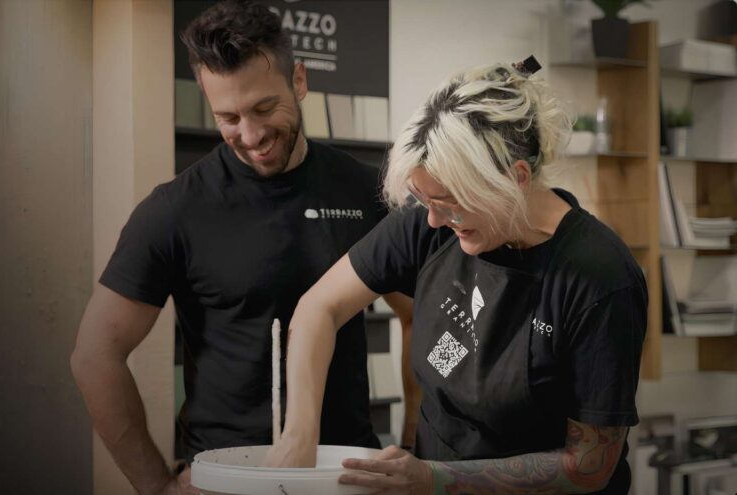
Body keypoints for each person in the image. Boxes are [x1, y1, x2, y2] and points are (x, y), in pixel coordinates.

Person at [71, 1, 413, 494]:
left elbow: (415, 313)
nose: (251, 136)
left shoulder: (365, 190)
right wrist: (157, 486)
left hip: (346, 472)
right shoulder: (174, 210)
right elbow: (95, 356)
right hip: (225, 476)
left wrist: (415, 434)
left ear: (299, 81)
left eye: (264, 108)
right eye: (228, 117)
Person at [264, 57, 647, 495]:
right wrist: (299, 435)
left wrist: (435, 479)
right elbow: (320, 306)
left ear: (517, 178)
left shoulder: (599, 278)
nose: (433, 220)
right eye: (425, 201)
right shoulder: (431, 222)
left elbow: (590, 466)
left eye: (449, 203)